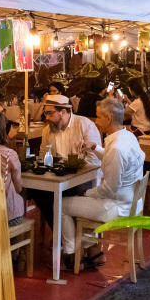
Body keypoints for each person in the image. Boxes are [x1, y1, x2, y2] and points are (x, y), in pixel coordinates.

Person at [60, 98, 144, 268]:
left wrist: (86, 194)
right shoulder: (128, 136)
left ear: (109, 118)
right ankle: (90, 250)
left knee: (61, 204)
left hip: (117, 207)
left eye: (98, 117)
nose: (95, 121)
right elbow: (112, 158)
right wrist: (94, 148)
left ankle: (72, 253)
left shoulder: (116, 149)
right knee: (83, 201)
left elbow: (109, 189)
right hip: (132, 202)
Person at [29, 94, 103, 226]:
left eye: (50, 113)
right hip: (57, 178)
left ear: (63, 112)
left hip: (84, 178)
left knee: (61, 194)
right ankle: (61, 232)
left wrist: (72, 170)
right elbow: (43, 155)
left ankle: (65, 233)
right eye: (45, 113)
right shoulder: (48, 130)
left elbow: (94, 161)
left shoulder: (84, 125)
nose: (46, 118)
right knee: (36, 191)